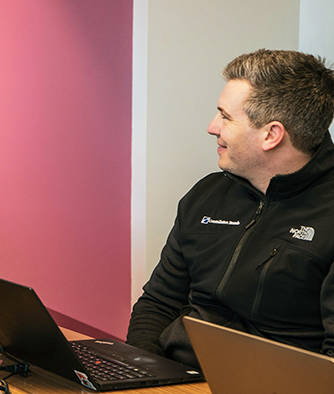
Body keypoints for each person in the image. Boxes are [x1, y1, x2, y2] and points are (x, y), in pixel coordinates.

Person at [126, 49, 334, 368]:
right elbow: (159, 304)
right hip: (177, 377)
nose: (212, 127)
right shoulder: (207, 194)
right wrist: (142, 372)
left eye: (225, 116)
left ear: (271, 135)